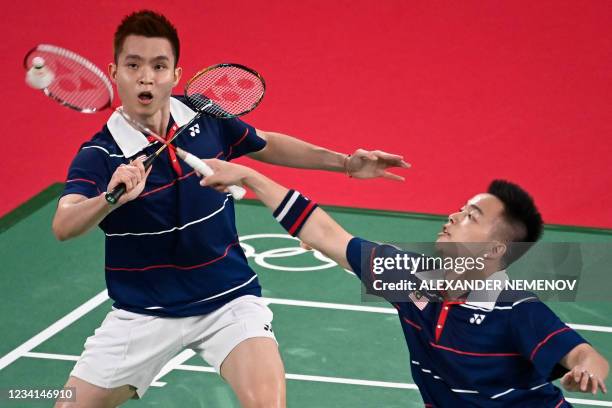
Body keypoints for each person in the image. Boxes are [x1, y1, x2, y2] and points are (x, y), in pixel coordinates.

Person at [51, 10, 409, 408]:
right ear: (115, 71)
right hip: (143, 312)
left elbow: (266, 143)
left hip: (228, 300)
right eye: (133, 65)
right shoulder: (99, 154)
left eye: (159, 65)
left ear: (175, 73)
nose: (146, 77)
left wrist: (344, 163)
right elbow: (64, 224)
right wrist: (111, 198)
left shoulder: (203, 116)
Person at [199, 159, 609, 407]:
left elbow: (587, 356)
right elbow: (327, 235)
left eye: (470, 216)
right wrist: (252, 178)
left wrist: (586, 371)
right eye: (460, 209)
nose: (452, 216)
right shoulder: (414, 276)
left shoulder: (515, 309)